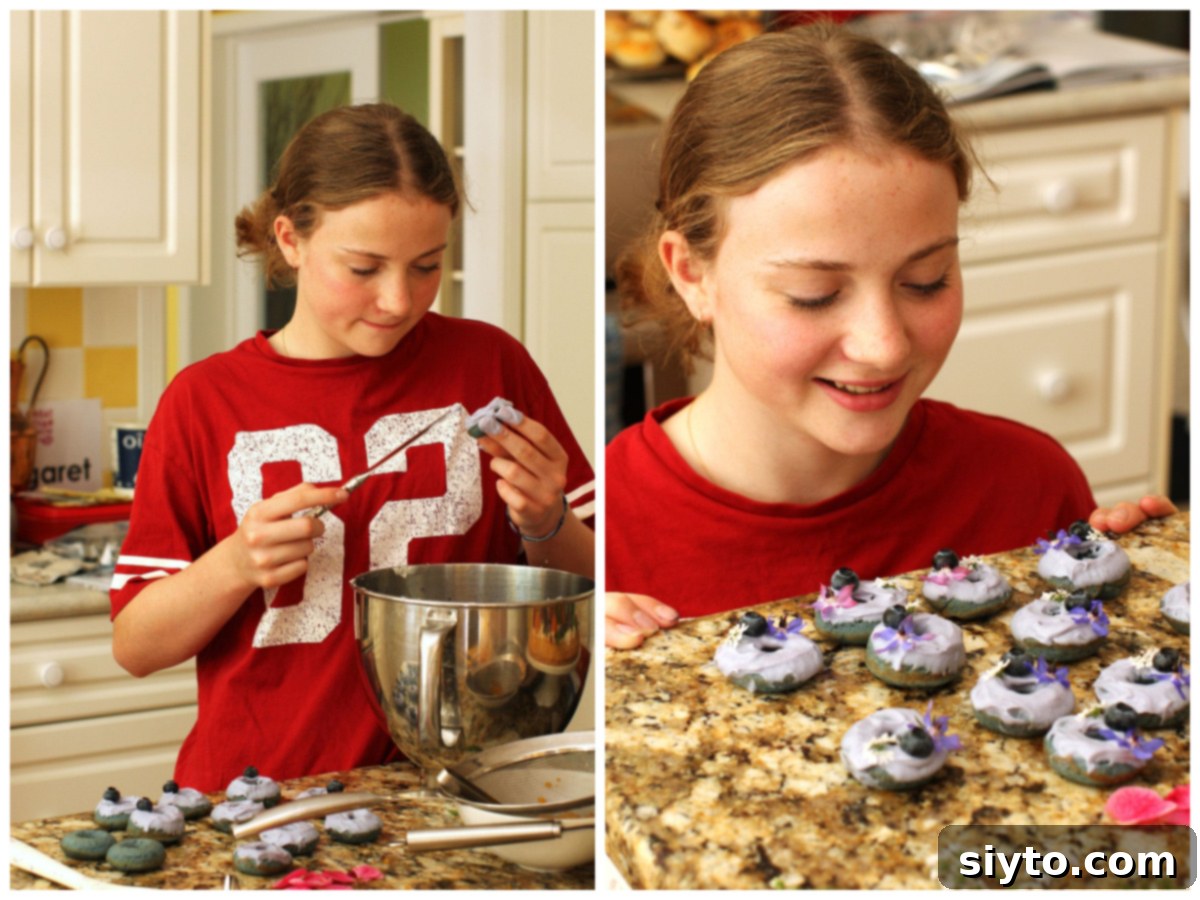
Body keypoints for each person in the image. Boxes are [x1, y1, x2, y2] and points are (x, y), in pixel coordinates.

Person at [605, 23, 1174, 649]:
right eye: (814, 294)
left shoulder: (1031, 488)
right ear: (691, 274)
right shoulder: (599, 531)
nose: (885, 347)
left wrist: (1153, 601)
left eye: (926, 281)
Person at [110, 103, 595, 790]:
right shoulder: (202, 400)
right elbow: (134, 645)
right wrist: (236, 564)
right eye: (364, 268)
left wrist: (547, 521)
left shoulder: (491, 363)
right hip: (261, 797)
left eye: (426, 266)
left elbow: (598, 576)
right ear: (290, 238)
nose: (398, 299)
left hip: (471, 789)